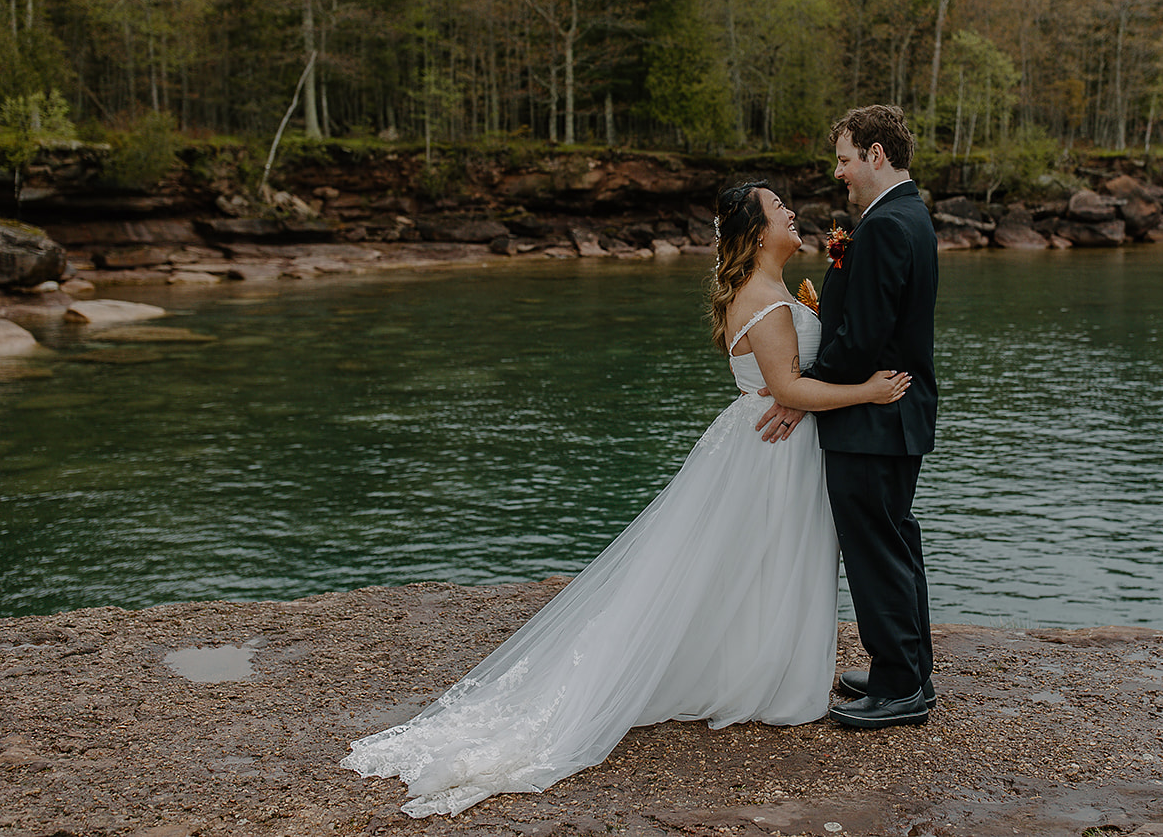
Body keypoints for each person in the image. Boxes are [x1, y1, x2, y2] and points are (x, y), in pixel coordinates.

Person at [340, 180, 910, 817]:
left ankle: (748, 663)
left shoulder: (765, 293)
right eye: (781, 209)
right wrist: (869, 392)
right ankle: (756, 676)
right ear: (756, 230)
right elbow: (789, 389)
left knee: (739, 565)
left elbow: (786, 384)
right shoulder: (766, 301)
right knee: (764, 561)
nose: (793, 213)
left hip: (758, 442)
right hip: (771, 456)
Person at [758, 104, 938, 730]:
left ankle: (899, 685)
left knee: (875, 550)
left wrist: (799, 389)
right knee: (895, 541)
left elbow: (862, 336)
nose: (838, 171)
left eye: (843, 158)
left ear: (875, 155)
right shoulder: (906, 215)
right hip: (890, 412)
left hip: (876, 416)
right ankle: (910, 669)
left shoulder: (888, 225)